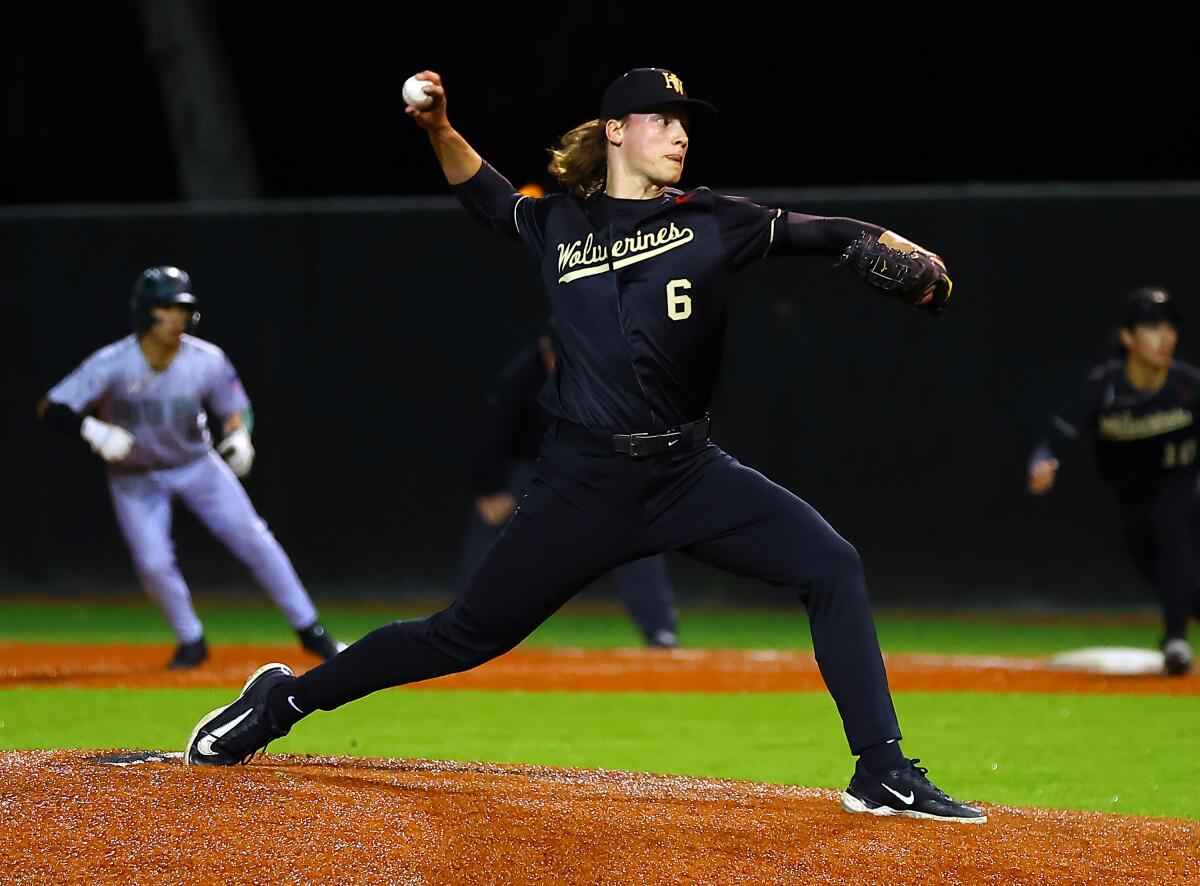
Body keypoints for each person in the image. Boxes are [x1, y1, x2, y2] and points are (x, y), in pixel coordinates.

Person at [185, 68, 985, 824]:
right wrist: (439, 127)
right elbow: (488, 195)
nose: (678, 134)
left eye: (684, 123)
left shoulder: (710, 218)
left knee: (830, 563)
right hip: (583, 483)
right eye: (660, 119)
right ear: (614, 130)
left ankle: (880, 770)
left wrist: (889, 249)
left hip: (689, 474)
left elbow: (823, 232)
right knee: (462, 635)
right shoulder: (558, 222)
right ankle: (283, 701)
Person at [38, 266, 345, 668]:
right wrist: (91, 429)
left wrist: (239, 437)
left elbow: (234, 410)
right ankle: (191, 640)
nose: (178, 316)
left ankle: (312, 632)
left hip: (195, 464)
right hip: (136, 476)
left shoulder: (206, 360)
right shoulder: (113, 363)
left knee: (255, 539)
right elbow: (50, 407)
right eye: (168, 307)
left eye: (183, 307)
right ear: (146, 312)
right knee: (153, 562)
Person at [457, 332, 679, 648]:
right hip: (531, 469)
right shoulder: (523, 376)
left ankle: (660, 631)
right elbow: (492, 432)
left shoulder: (603, 374)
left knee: (634, 532)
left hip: (589, 468)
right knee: (491, 528)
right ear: (545, 351)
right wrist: (490, 488)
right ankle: (465, 630)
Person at [1028, 286, 1200, 676]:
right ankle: (1183, 619)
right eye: (1153, 327)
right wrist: (1043, 463)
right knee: (1170, 573)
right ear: (1127, 337)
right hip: (1133, 499)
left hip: (1185, 486)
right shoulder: (1101, 387)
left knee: (1172, 521)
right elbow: (1053, 442)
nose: (1166, 336)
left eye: (1170, 327)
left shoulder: (1189, 388)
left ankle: (1175, 639)